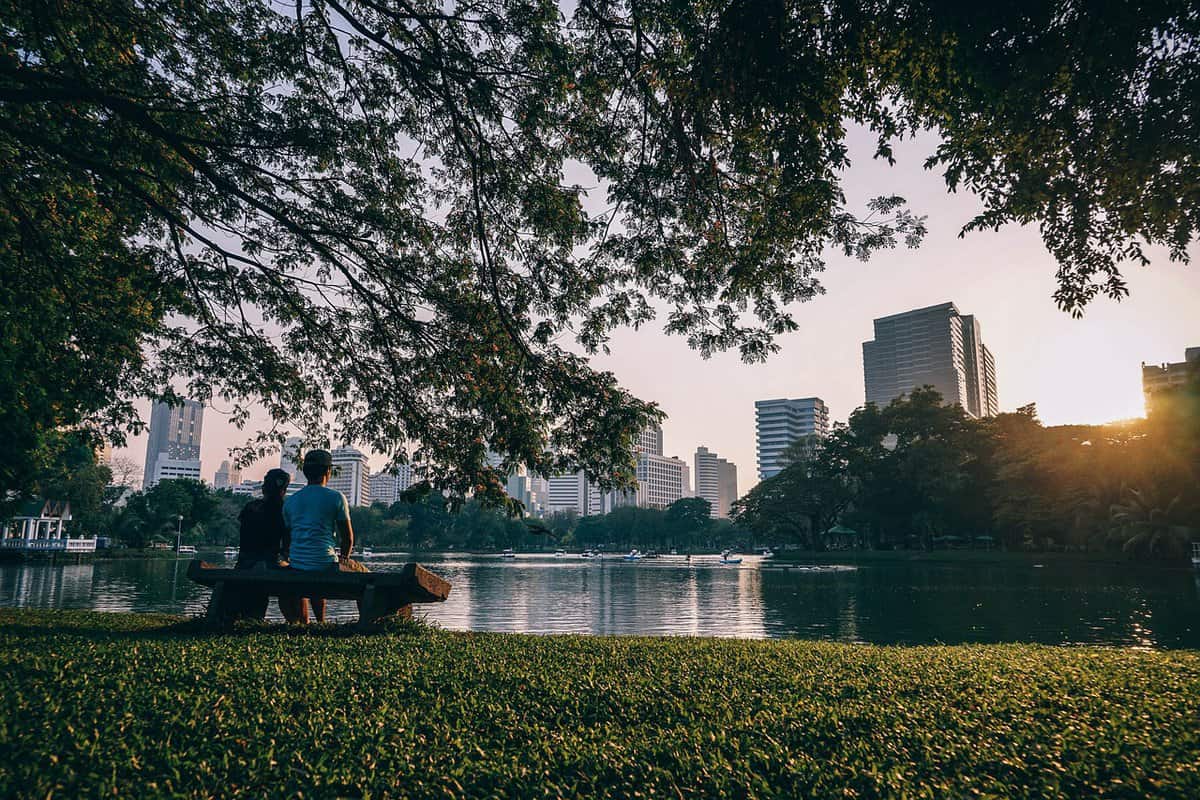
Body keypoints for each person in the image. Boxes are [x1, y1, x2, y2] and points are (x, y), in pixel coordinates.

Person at [282, 449, 368, 623]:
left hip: (298, 564)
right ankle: (362, 621)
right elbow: (348, 538)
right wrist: (344, 559)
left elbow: (287, 539)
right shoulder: (336, 497)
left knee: (311, 572)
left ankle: (314, 622)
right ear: (328, 471)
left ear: (305, 472)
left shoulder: (291, 501)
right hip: (326, 564)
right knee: (366, 576)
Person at [231, 468, 294, 621]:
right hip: (271, 564)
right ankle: (297, 620)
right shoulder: (285, 510)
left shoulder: (250, 508)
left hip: (245, 563)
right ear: (284, 490)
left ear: (264, 488)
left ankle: (249, 616)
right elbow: (287, 545)